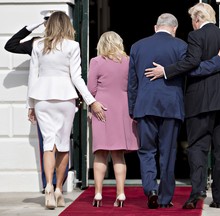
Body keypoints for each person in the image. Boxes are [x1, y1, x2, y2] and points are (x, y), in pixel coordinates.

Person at [129, 12, 220, 209]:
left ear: (155, 26)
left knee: (146, 151)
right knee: (168, 153)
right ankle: (165, 198)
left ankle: (151, 189)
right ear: (175, 29)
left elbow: (132, 82)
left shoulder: (137, 46)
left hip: (144, 106)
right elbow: (193, 69)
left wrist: (132, 109)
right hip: (171, 107)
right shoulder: (180, 46)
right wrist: (217, 62)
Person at [27, 11, 100, 210]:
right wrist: (91, 100)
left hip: (42, 97)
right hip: (65, 97)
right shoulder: (72, 45)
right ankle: (59, 189)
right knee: (62, 144)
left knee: (48, 144)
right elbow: (77, 77)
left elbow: (32, 77)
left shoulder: (38, 46)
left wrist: (30, 105)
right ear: (67, 25)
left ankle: (48, 187)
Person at [3, 10, 69, 194]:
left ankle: (57, 183)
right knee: (48, 143)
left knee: (59, 143)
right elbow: (10, 45)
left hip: (58, 98)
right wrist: (35, 25)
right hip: (45, 99)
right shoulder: (37, 44)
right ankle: (51, 184)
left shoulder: (68, 44)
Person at [87, 31, 139, 208]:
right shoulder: (129, 61)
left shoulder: (96, 61)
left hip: (102, 108)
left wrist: (91, 106)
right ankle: (121, 193)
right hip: (123, 108)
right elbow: (134, 85)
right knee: (118, 154)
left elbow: (91, 88)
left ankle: (98, 193)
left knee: (100, 153)